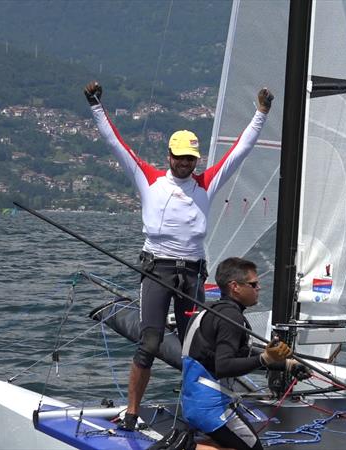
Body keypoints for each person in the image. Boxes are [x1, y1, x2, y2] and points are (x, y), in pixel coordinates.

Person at [83, 81, 274, 431]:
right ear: (169, 156)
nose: (186, 163)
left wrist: (260, 113)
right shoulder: (150, 179)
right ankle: (132, 412)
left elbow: (240, 152)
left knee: (195, 348)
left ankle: (198, 413)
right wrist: (96, 105)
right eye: (180, 157)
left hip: (192, 275)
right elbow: (116, 144)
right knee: (150, 342)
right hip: (157, 271)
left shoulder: (206, 183)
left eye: (191, 158)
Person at [179, 257, 311, 450]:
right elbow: (223, 366)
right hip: (212, 410)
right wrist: (265, 358)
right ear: (235, 287)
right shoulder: (231, 318)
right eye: (253, 284)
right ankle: (184, 447)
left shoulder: (211, 310)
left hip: (193, 404)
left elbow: (241, 353)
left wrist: (288, 364)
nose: (259, 288)